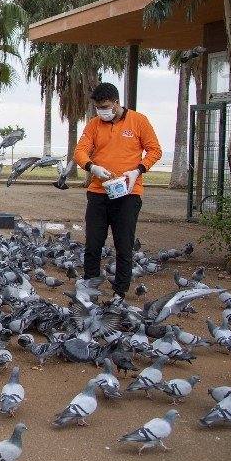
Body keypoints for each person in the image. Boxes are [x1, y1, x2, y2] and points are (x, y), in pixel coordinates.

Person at [73, 82, 162, 305]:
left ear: (116, 103)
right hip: (98, 192)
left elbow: (155, 150)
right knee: (93, 243)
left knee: (124, 244)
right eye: (97, 107)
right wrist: (91, 167)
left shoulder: (138, 121)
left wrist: (138, 170)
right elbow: (80, 151)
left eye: (104, 106)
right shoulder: (94, 125)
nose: (101, 111)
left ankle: (119, 292)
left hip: (128, 193)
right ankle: (91, 285)